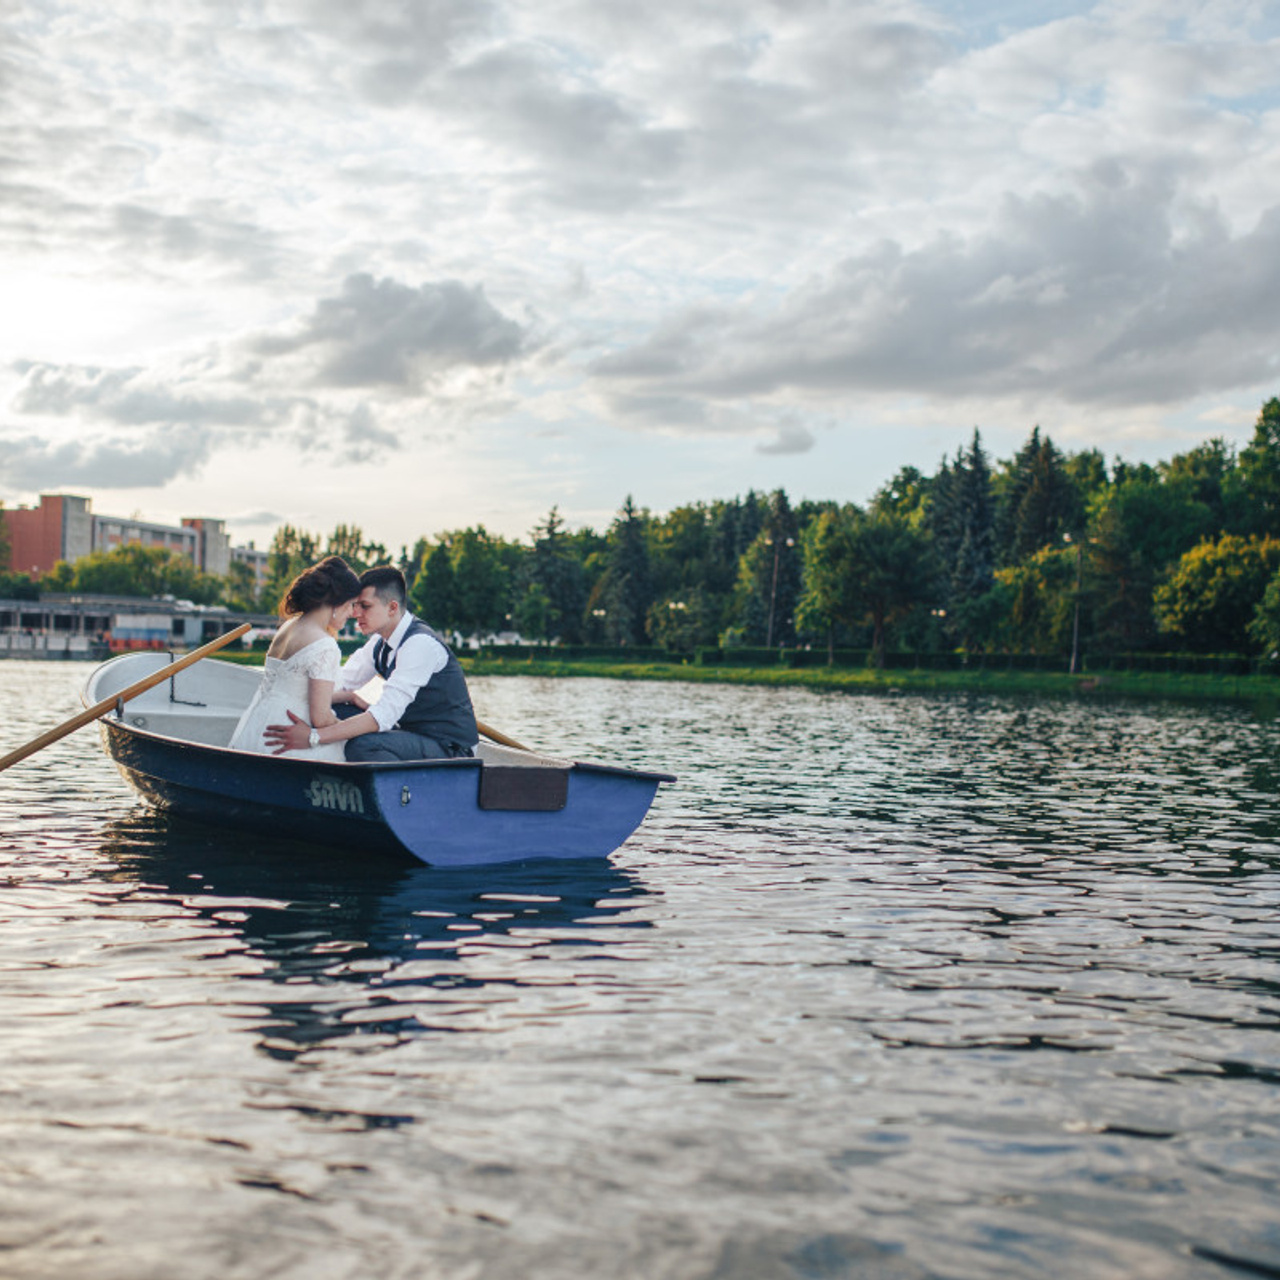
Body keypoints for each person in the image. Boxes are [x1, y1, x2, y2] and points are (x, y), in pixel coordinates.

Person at [263, 565, 479, 762]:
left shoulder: (420, 645)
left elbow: (382, 717)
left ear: (392, 608)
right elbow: (339, 684)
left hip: (449, 747)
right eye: (355, 605)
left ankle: (400, 798)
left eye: (365, 606)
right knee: (335, 709)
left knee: (363, 746)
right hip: (410, 733)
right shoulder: (379, 643)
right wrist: (341, 698)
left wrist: (313, 737)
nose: (355, 614)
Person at [228, 556, 363, 760]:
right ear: (336, 603)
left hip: (259, 724)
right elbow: (322, 719)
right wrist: (359, 728)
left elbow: (295, 688)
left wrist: (350, 696)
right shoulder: (325, 645)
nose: (353, 613)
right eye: (352, 604)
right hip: (290, 737)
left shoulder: (289, 627)